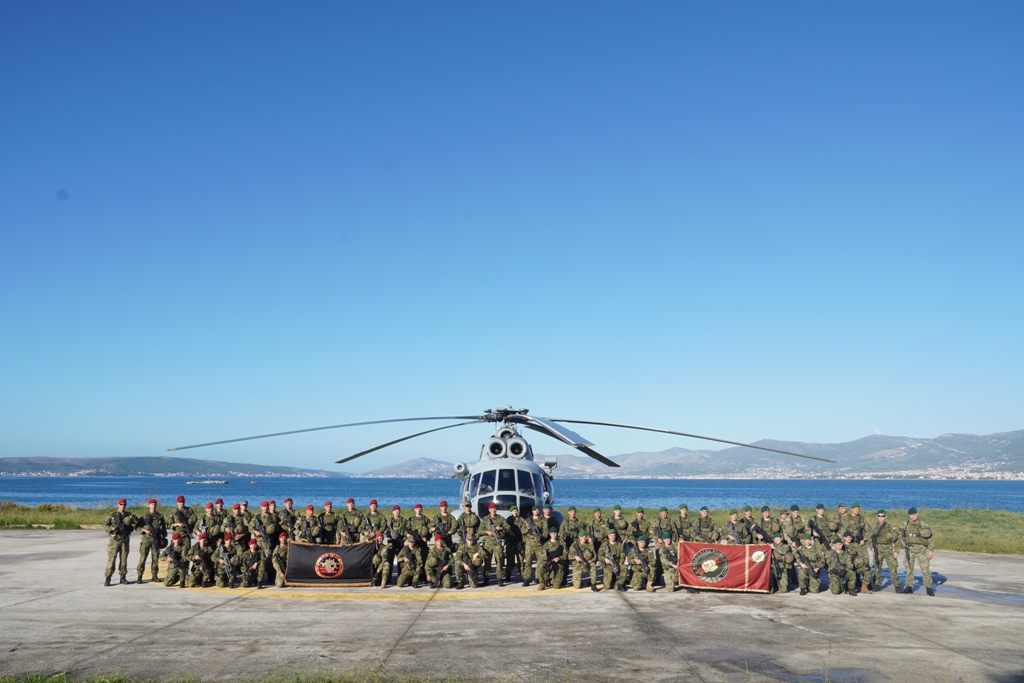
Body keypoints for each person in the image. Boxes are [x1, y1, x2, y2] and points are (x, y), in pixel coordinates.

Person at [901, 507, 936, 595]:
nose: (913, 516)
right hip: (910, 549)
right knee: (909, 568)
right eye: (911, 515)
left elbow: (931, 538)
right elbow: (900, 535)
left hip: (921, 549)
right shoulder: (905, 524)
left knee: (925, 569)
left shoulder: (923, 525)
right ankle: (909, 586)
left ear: (917, 514)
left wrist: (930, 550)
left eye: (915, 514)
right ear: (909, 515)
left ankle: (929, 587)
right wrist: (904, 544)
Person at [103, 498, 138, 586]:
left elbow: (138, 522)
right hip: (114, 541)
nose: (123, 506)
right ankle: (108, 578)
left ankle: (123, 577)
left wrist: (133, 517)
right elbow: (104, 525)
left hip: (124, 540)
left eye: (124, 505)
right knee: (112, 559)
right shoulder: (113, 515)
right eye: (121, 504)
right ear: (118, 505)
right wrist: (111, 529)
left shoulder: (129, 515)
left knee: (123, 559)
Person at [867, 510, 901, 592]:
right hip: (878, 549)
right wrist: (871, 547)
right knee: (877, 567)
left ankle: (897, 585)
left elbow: (897, 539)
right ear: (877, 517)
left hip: (888, 549)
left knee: (893, 568)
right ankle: (877, 584)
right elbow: (869, 537)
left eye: (883, 516)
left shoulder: (890, 527)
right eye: (879, 516)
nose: (881, 517)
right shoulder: (874, 527)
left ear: (885, 517)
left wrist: (896, 551)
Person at [136, 498, 166, 584]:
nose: (153, 506)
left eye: (155, 504)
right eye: (152, 504)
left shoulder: (160, 517)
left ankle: (154, 575)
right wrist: (144, 530)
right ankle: (140, 576)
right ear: (149, 505)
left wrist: (163, 537)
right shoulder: (144, 517)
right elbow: (137, 527)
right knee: (143, 558)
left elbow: (164, 528)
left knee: (155, 558)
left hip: (156, 540)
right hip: (146, 540)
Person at [479, 502, 506, 586]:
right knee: (487, 561)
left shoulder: (500, 518)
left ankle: (500, 579)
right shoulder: (485, 519)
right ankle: (486, 579)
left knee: (499, 561)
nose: (493, 510)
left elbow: (508, 528)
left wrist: (500, 528)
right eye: (491, 509)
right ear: (489, 510)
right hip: (488, 543)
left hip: (497, 543)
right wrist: (487, 532)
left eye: (494, 509)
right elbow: (479, 531)